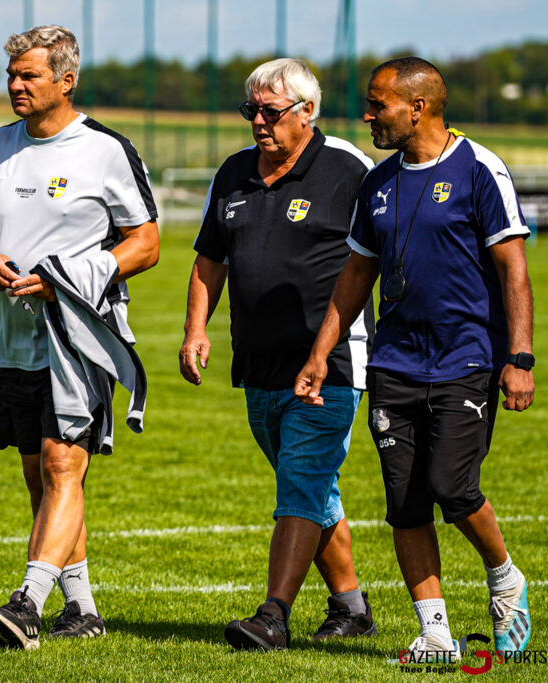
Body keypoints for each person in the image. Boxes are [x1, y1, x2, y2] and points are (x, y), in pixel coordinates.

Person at [294, 57, 534, 660]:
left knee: (453, 488)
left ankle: (505, 578)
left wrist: (521, 357)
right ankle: (435, 634)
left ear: (418, 107)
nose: (368, 115)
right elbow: (354, 276)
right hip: (393, 365)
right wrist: (321, 355)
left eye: (379, 105)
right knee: (405, 505)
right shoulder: (377, 182)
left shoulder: (480, 168)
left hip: (466, 360)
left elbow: (514, 270)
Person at [0, 25, 159, 650]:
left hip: (81, 340)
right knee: (42, 475)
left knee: (66, 464)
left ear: (66, 81)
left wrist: (67, 281)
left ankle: (27, 604)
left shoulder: (105, 150)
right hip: (10, 341)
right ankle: (83, 608)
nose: (15, 85)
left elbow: (144, 245)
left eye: (28, 75)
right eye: (11, 75)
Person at [179, 57, 377, 651]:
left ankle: (273, 615)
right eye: (251, 112)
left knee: (300, 484)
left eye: (271, 112)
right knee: (314, 490)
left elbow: (381, 258)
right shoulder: (234, 171)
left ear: (307, 111)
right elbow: (209, 259)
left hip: (331, 365)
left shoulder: (350, 170)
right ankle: (351, 606)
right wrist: (196, 329)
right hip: (258, 364)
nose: (259, 123)